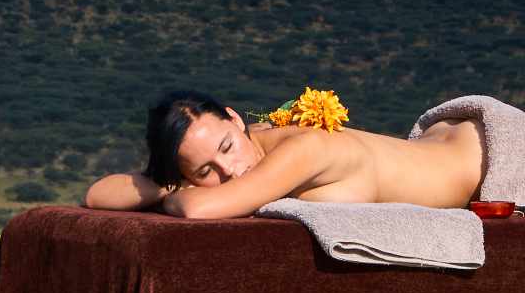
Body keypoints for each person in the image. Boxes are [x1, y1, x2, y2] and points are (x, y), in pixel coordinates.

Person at [83, 90, 487, 219]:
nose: (232, 170)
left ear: (235, 120)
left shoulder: (301, 150)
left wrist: (182, 188)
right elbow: (98, 194)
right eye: (207, 169)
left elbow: (197, 210)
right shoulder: (251, 146)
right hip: (442, 146)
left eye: (227, 147)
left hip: (485, 151)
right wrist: (170, 179)